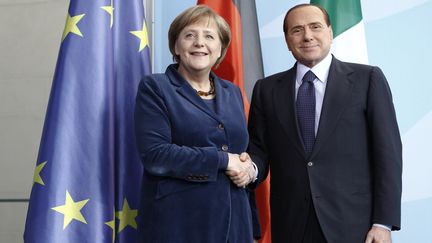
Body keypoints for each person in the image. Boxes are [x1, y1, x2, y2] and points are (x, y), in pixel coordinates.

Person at [247, 3, 402, 243]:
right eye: (296, 30)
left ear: (330, 32)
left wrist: (382, 224)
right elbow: (259, 150)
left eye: (315, 27)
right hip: (291, 226)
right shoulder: (266, 90)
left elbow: (387, 156)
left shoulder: (367, 79)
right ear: (287, 41)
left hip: (355, 226)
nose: (307, 36)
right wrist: (248, 169)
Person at [134, 5, 258, 243]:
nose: (199, 43)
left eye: (209, 36)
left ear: (220, 48)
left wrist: (245, 169)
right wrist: (223, 160)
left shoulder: (232, 91)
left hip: (235, 226)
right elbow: (155, 156)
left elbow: (241, 152)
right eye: (190, 35)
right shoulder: (156, 88)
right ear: (176, 46)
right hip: (179, 225)